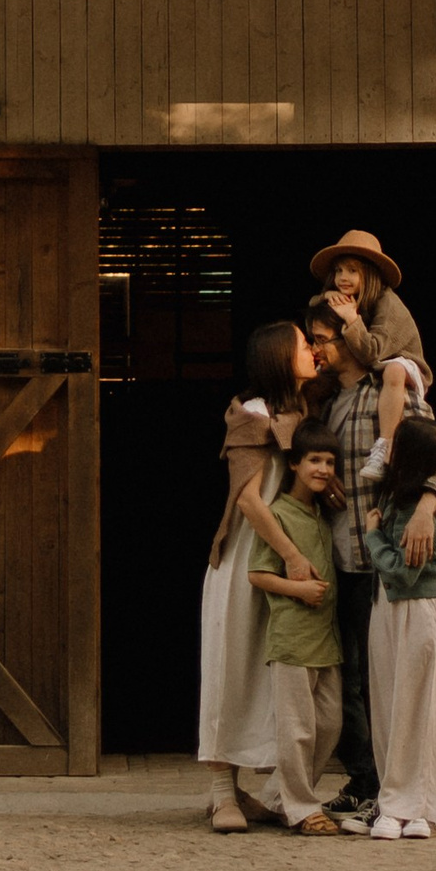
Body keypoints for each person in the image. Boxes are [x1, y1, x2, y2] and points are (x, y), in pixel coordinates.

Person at [304, 295, 436, 825]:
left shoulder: (389, 391)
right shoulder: (328, 403)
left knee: (382, 680)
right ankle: (367, 780)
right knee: (348, 679)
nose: (317, 350)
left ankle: (395, 790)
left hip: (384, 561)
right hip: (341, 553)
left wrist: (426, 509)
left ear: (348, 338)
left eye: (322, 339)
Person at [197, 320, 313, 834]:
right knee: (232, 667)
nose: (313, 349)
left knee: (279, 674)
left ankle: (268, 791)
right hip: (249, 555)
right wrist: (289, 553)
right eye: (304, 345)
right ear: (278, 357)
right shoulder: (252, 415)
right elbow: (248, 500)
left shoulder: (304, 411)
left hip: (290, 557)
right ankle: (222, 795)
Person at [245, 425, 347, 833]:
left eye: (329, 462)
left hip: (326, 640)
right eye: (314, 461)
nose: (323, 469)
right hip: (291, 640)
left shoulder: (323, 515)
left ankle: (273, 799)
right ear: (294, 464)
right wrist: (300, 589)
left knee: (330, 725)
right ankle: (304, 810)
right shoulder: (280, 514)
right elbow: (258, 575)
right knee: (298, 730)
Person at [366, 410, 436, 839]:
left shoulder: (408, 509)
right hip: (395, 607)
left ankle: (409, 805)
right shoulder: (396, 496)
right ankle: (410, 803)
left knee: (414, 706)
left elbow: (402, 571)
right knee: (398, 704)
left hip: (414, 606)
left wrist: (372, 536)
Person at [308, 228, 431, 449]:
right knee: (313, 383)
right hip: (372, 362)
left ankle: (385, 443)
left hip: (402, 365)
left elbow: (372, 352)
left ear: (370, 274)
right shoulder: (332, 399)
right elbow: (313, 304)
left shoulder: (388, 304)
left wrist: (351, 319)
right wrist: (326, 296)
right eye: (338, 270)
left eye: (352, 271)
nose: (343, 278)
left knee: (394, 371)